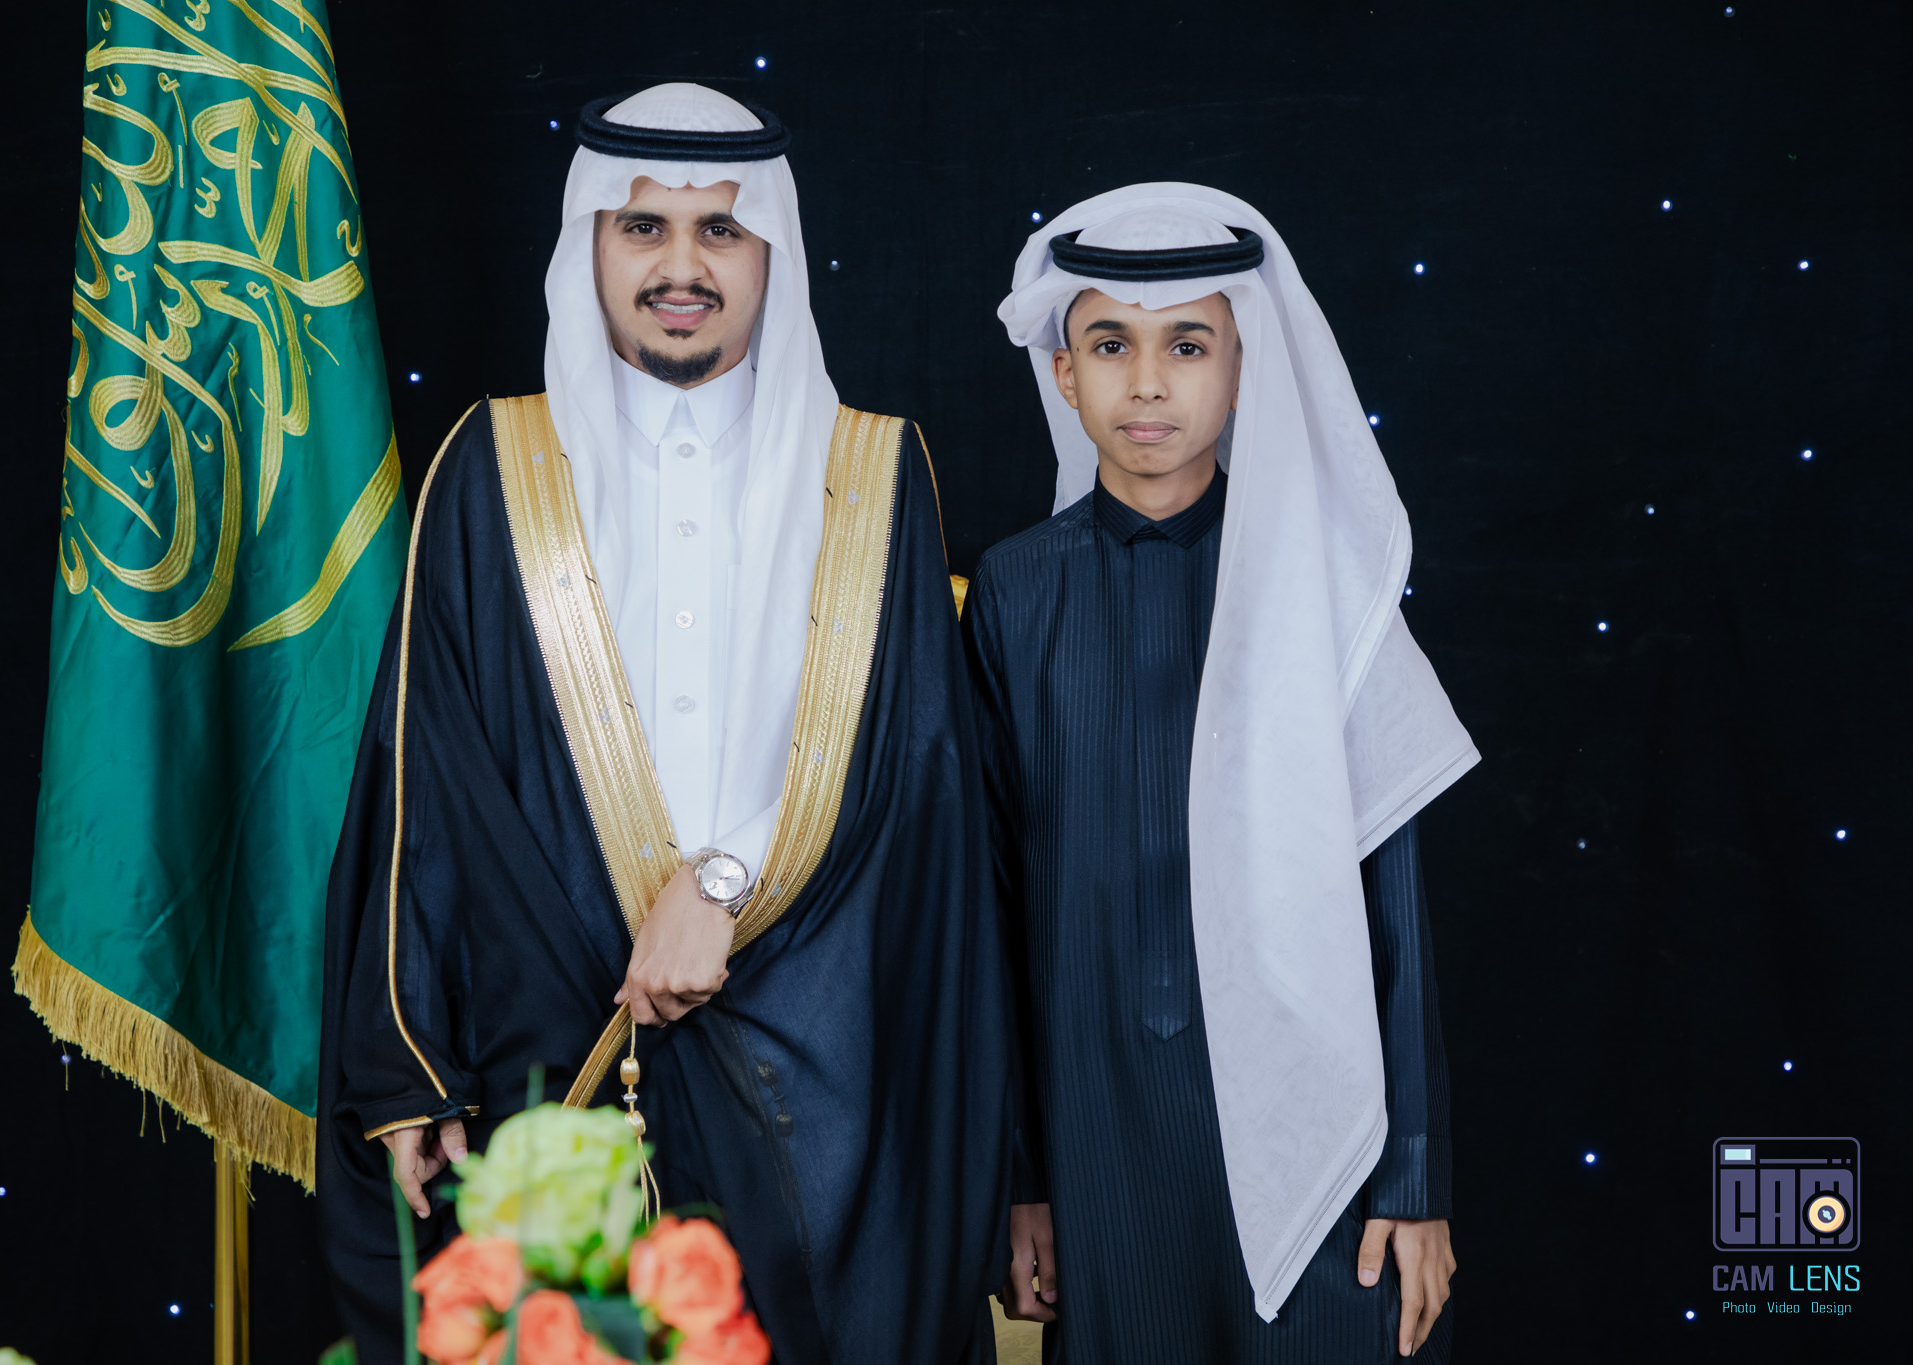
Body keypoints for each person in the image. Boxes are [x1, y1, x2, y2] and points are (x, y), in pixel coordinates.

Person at [317, 83, 1010, 1364]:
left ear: (770, 254)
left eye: (719, 232)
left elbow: (911, 774)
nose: (680, 268)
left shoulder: (872, 474)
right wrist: (406, 1062)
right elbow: (427, 777)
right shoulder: (491, 466)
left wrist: (722, 884)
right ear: (589, 243)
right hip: (552, 1042)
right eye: (643, 228)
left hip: (825, 1059)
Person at [967, 184, 1476, 1361]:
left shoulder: (1316, 582)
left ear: (1243, 370)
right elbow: (992, 897)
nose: (1147, 384)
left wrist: (1413, 1175)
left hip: (1320, 1122)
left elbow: (1391, 897)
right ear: (1063, 373)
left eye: (1187, 345)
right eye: (1110, 345)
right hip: (1097, 1127)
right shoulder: (1011, 591)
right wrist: (1020, 1176)